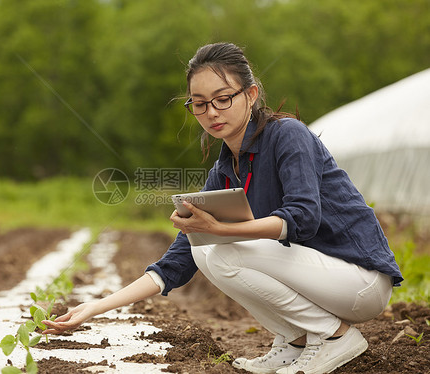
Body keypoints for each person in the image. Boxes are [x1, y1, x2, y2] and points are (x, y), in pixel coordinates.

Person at [43, 42, 403, 374]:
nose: (211, 112)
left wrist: (222, 230)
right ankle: (294, 341)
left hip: (360, 280)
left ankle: (334, 336)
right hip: (320, 280)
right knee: (205, 250)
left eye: (222, 99)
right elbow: (177, 261)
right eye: (199, 103)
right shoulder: (226, 168)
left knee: (220, 250)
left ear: (251, 94)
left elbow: (303, 218)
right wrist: (96, 307)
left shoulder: (287, 135)